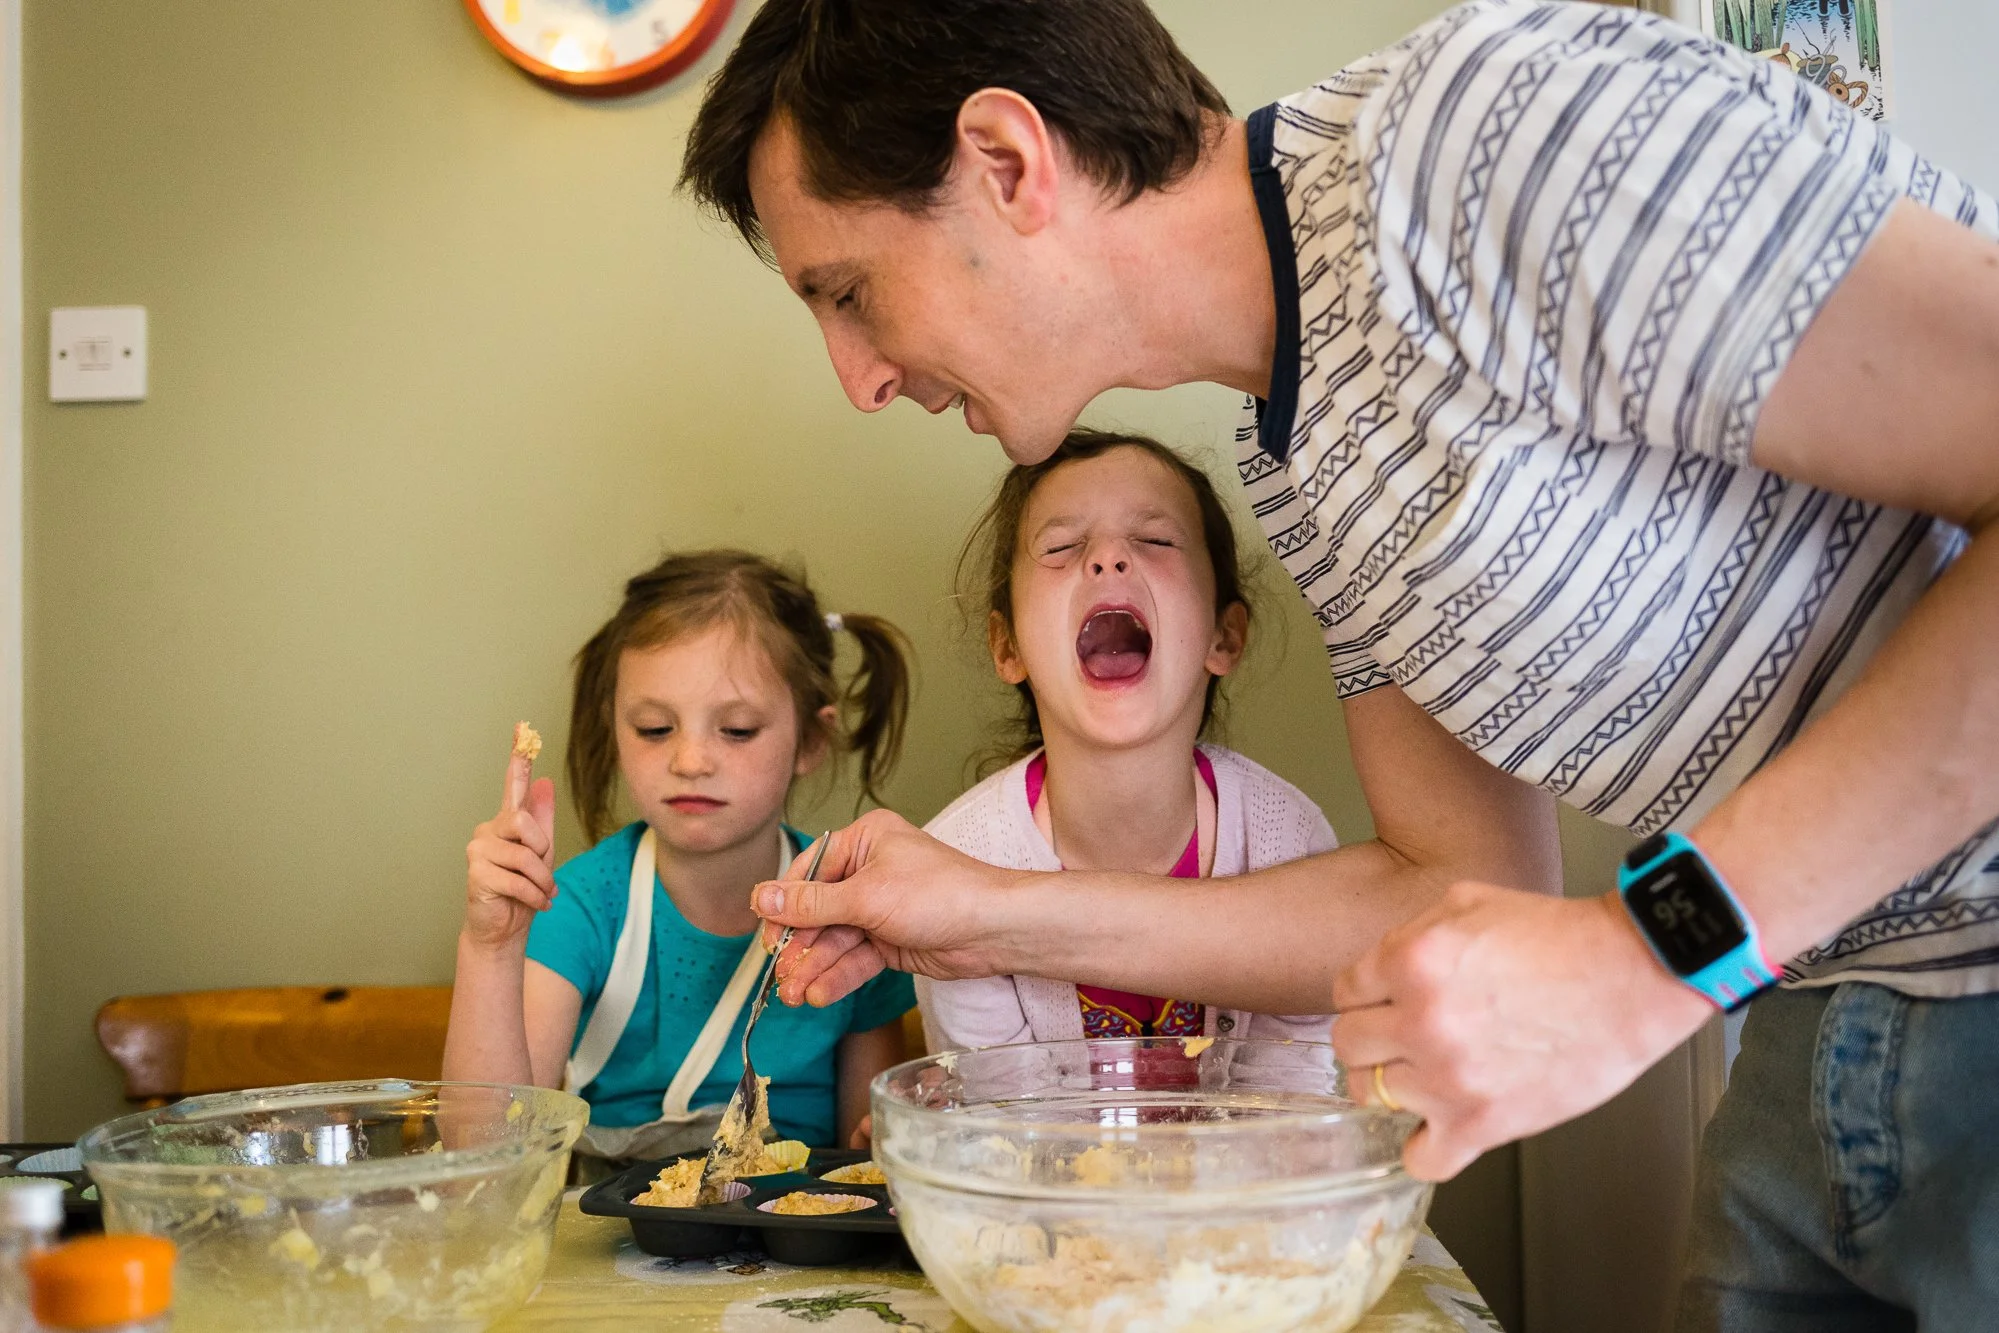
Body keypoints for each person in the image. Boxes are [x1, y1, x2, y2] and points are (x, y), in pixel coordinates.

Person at [679, 0, 1999, 1323]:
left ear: (1008, 163)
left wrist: (1651, 953)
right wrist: (979, 912)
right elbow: (1455, 884)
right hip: (1813, 1015)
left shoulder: (1476, 135)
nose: (856, 376)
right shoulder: (1290, 451)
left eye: (846, 293)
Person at [441, 550, 918, 1167]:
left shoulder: (854, 914)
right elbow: (484, 1157)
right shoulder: (576, 909)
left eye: (738, 729)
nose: (690, 760)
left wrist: (881, 1147)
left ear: (812, 740)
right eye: (654, 729)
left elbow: (869, 1158)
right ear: (615, 730)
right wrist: (492, 948)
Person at [920, 428, 1338, 1053]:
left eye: (1154, 540)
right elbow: (1001, 1133)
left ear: (1224, 636)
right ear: (1008, 648)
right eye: (1061, 547)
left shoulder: (1290, 846)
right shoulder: (957, 865)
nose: (1109, 557)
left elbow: (1295, 1115)